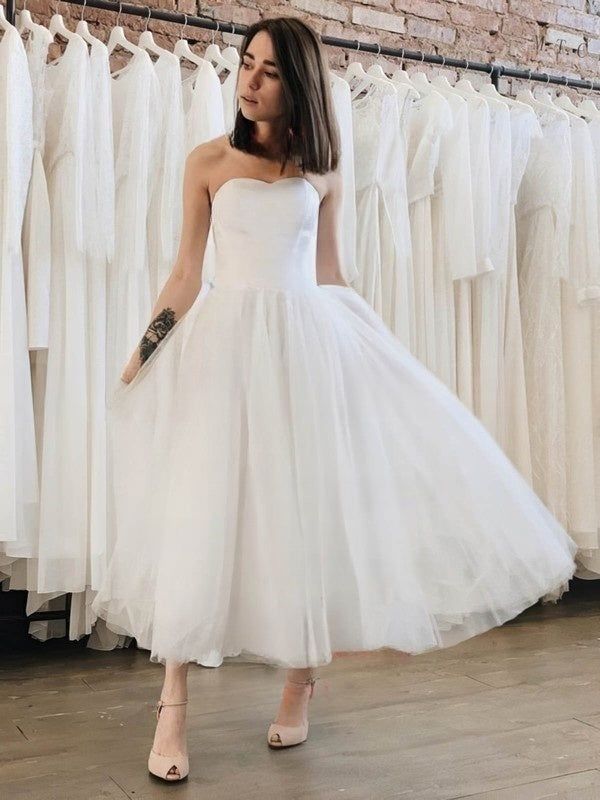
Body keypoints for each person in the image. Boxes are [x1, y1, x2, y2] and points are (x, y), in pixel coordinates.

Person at [91, 16, 578, 784]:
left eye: (269, 71)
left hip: (304, 351)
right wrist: (143, 351)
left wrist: (376, 350)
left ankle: (299, 682)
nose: (249, 82)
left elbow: (329, 275)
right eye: (245, 65)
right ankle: (173, 701)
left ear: (301, 85)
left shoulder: (323, 175)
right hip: (224, 348)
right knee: (200, 507)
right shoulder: (209, 163)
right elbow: (187, 272)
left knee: (304, 516)